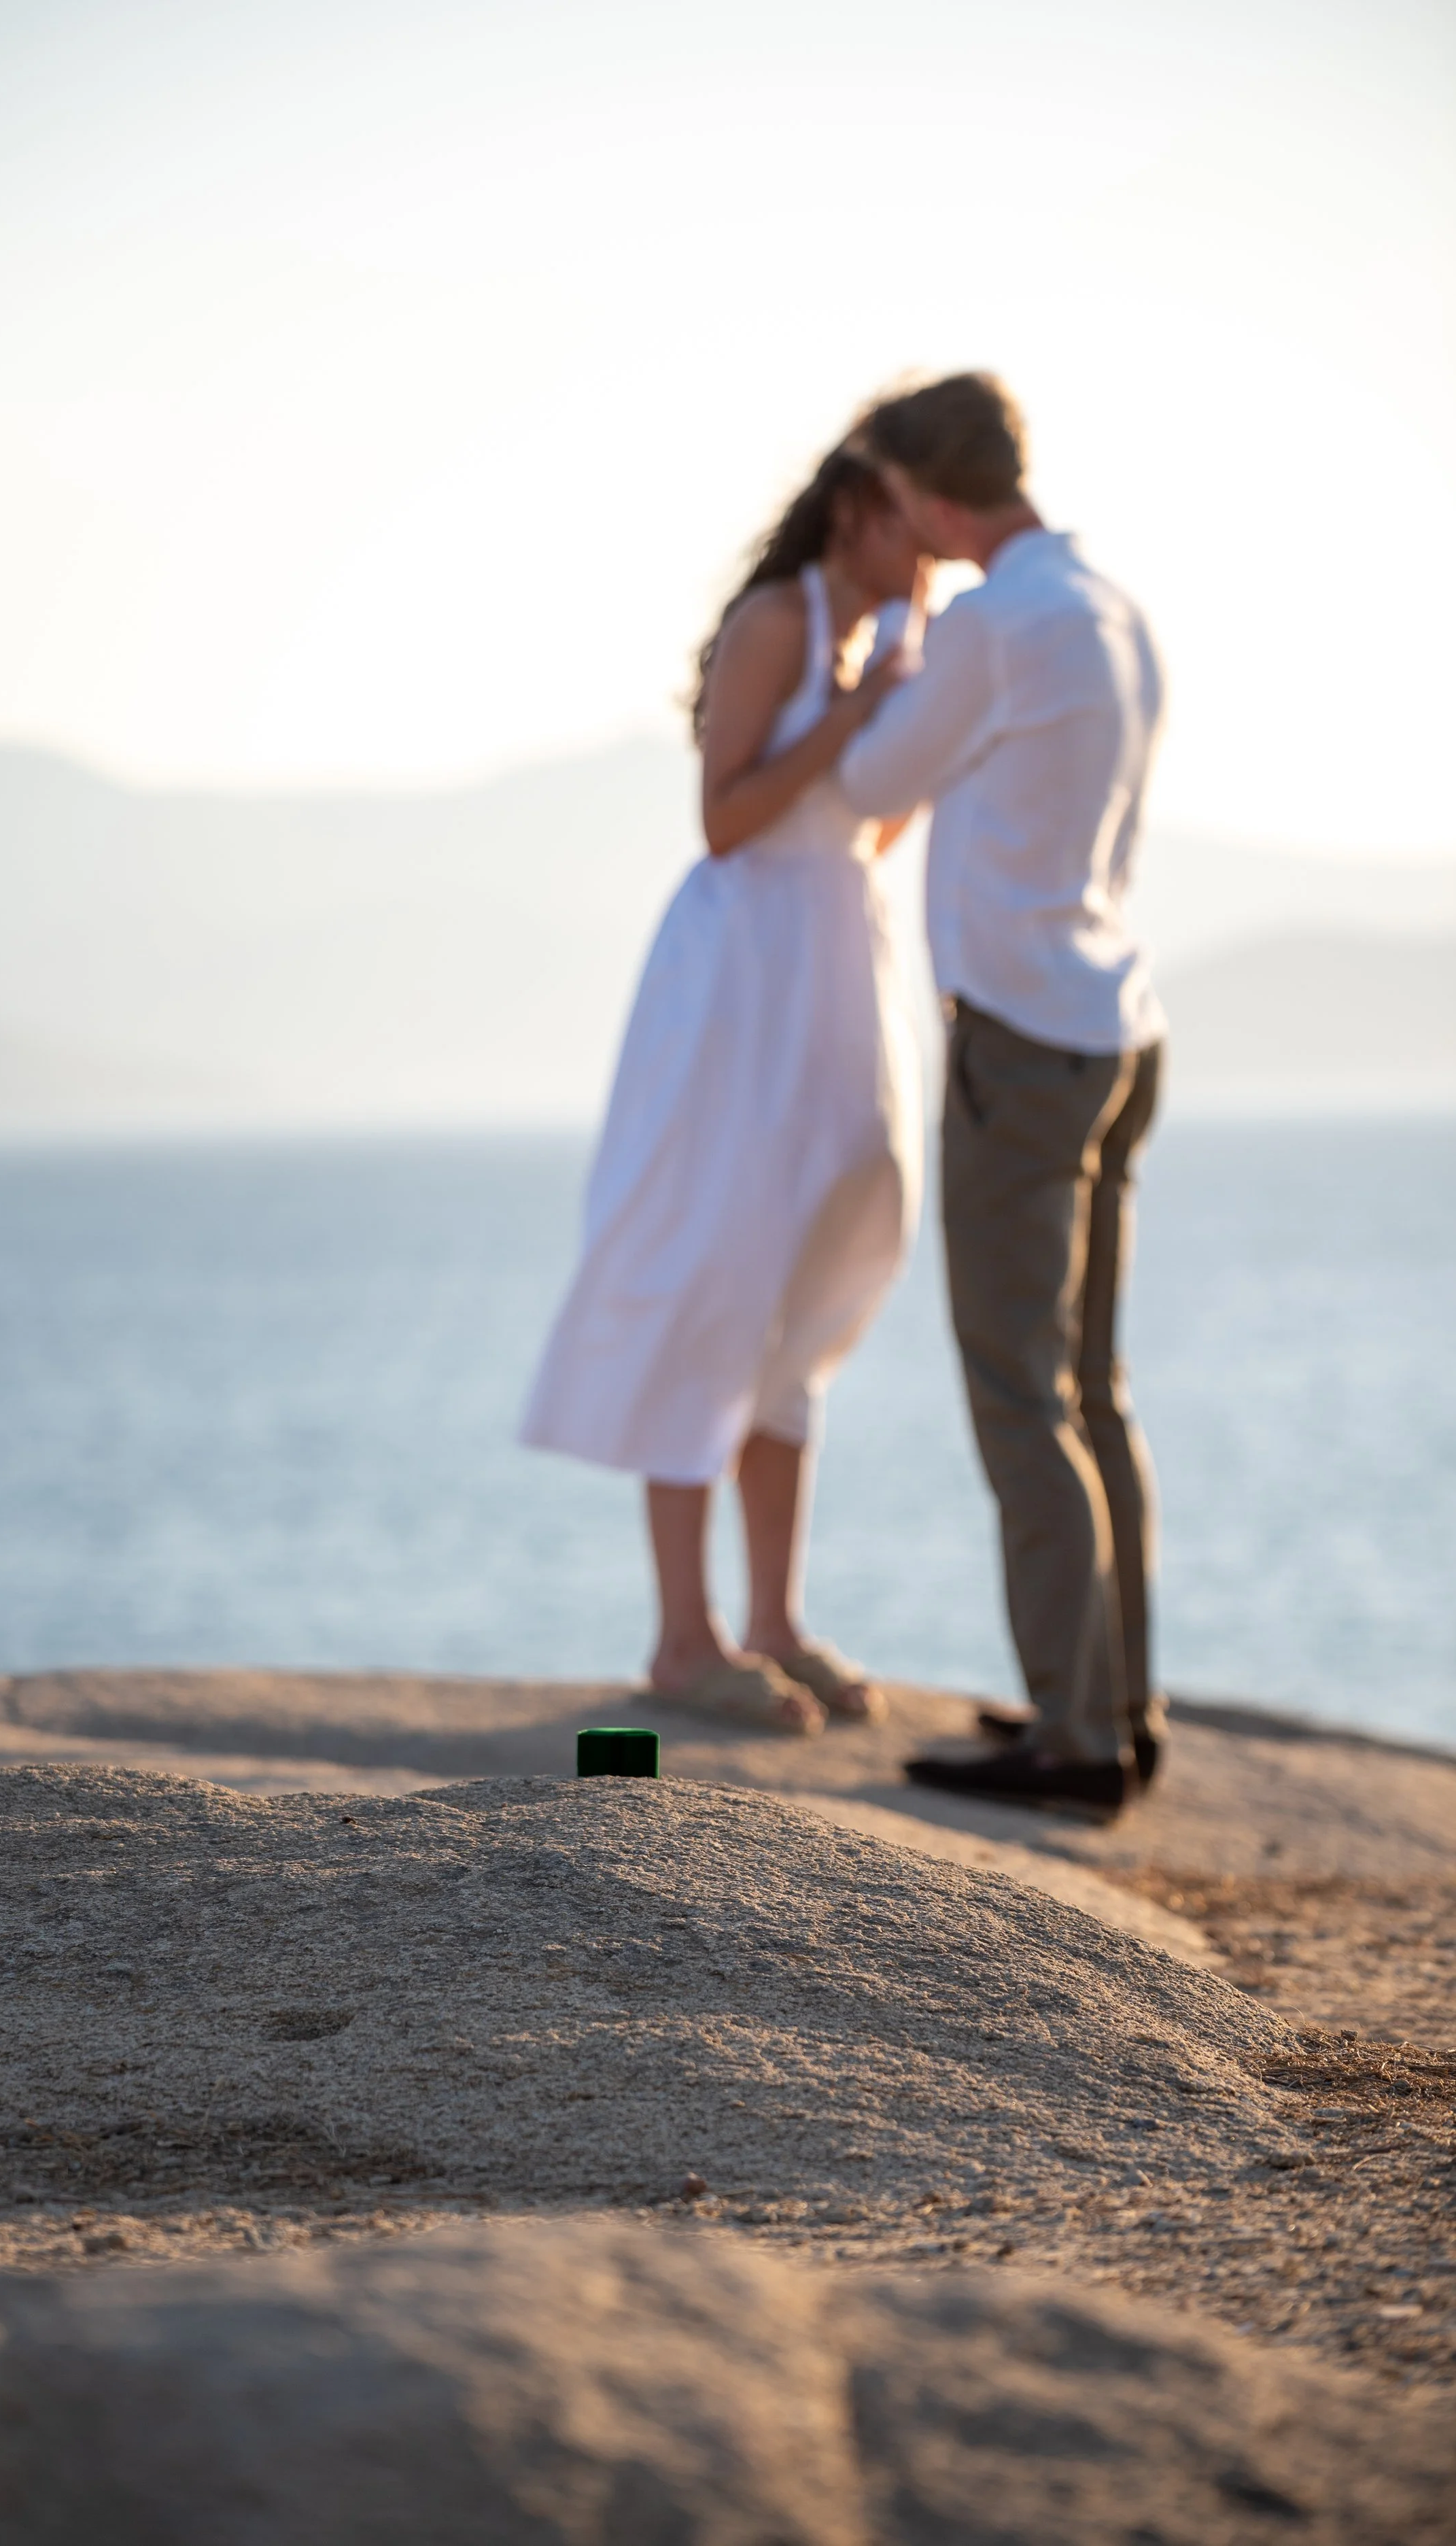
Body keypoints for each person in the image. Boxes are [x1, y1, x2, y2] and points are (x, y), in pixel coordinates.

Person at [521, 439, 927, 1734]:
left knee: (815, 1281)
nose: (928, 544)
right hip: (744, 974)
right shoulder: (776, 623)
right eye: (911, 519)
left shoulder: (885, 638)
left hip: (837, 965)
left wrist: (903, 708)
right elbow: (727, 816)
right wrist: (862, 718)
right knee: (710, 1271)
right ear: (857, 512)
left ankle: (774, 1619)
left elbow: (870, 826)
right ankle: (683, 1639)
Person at [839, 373, 1167, 1816]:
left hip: (1020, 1040)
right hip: (1115, 1021)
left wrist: (896, 640)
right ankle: (1114, 1702)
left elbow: (865, 780)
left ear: (923, 497)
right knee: (1089, 1392)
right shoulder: (1106, 604)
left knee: (1016, 1394)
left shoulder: (986, 627)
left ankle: (1070, 1738)